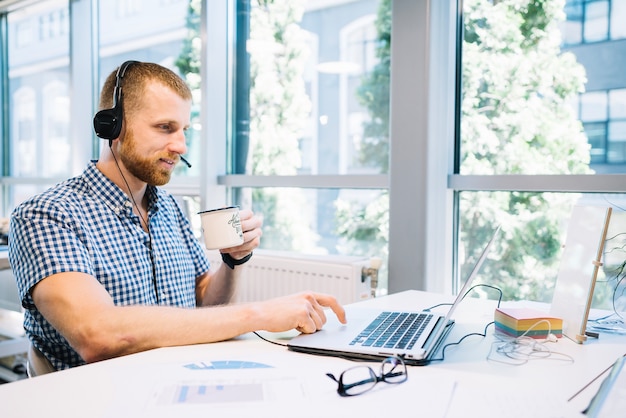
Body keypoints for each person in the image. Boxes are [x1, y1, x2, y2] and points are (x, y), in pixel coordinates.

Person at [8, 61, 346, 372]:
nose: (182, 145)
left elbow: (202, 302)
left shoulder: (169, 208)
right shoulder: (46, 215)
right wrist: (261, 314)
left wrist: (232, 262)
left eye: (184, 129)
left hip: (180, 380)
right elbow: (98, 335)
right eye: (165, 128)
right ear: (113, 125)